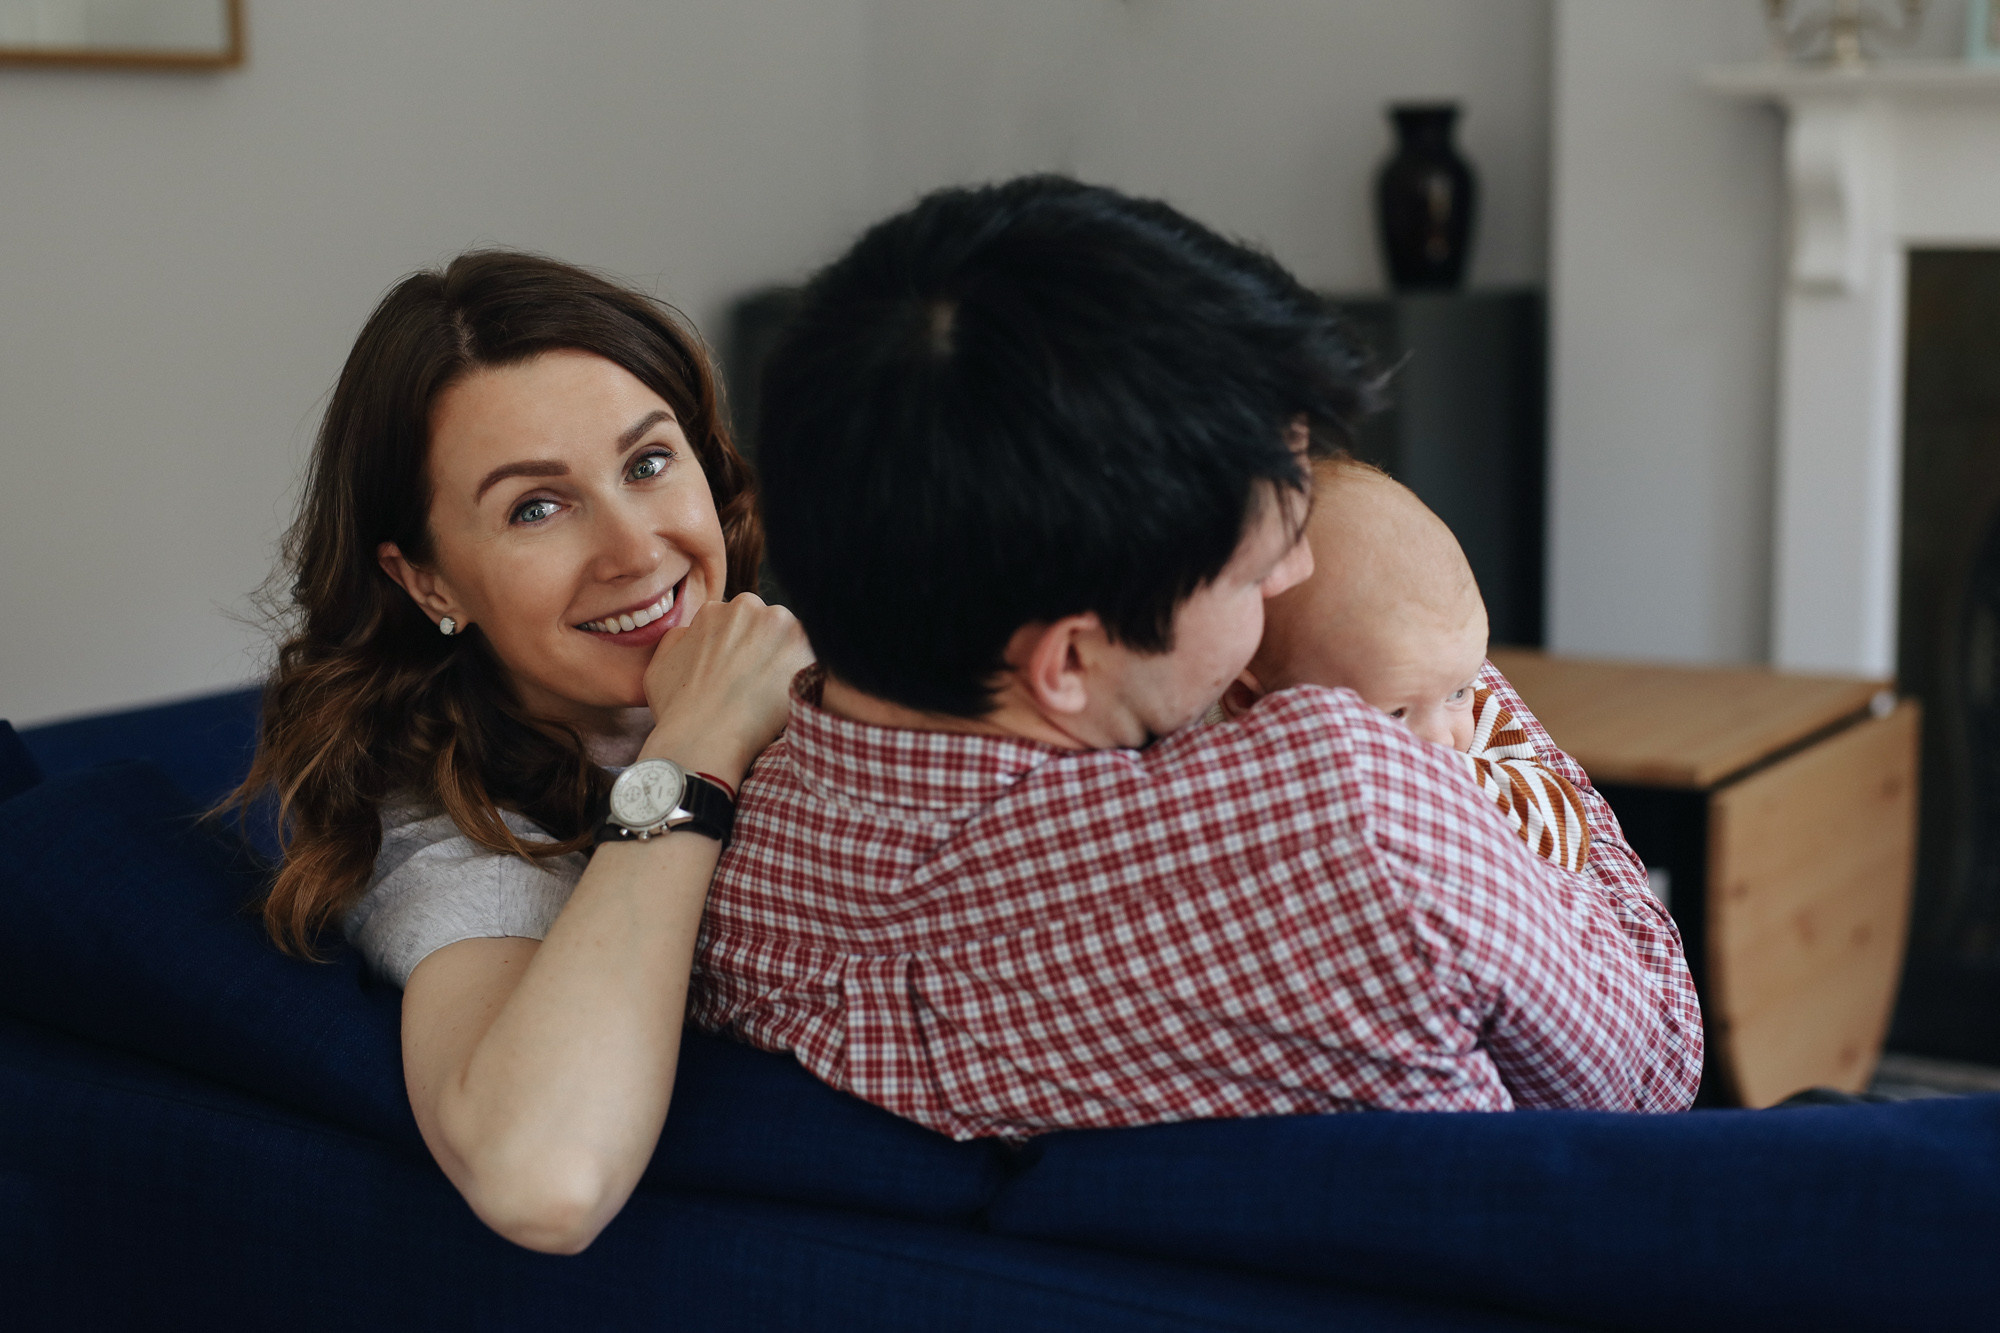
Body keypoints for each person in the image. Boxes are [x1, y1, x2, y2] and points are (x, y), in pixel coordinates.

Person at [691, 177, 1703, 1141]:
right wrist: (1442, 693)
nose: (1295, 569)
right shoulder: (1359, 813)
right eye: (1261, 559)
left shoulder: (718, 857)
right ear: (1071, 662)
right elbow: (1651, 1076)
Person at [230, 251, 812, 1253]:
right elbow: (545, 1179)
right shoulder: (454, 844)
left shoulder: (851, 664)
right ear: (429, 583)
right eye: (535, 507)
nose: (633, 549)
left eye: (647, 462)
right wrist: (693, 749)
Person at [1221, 455, 1590, 873]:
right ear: (1247, 700)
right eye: (1395, 713)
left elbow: (1565, 834)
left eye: (1456, 693)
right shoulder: (1209, 756)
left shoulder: (1483, 725)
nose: (1441, 741)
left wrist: (1439, 782)